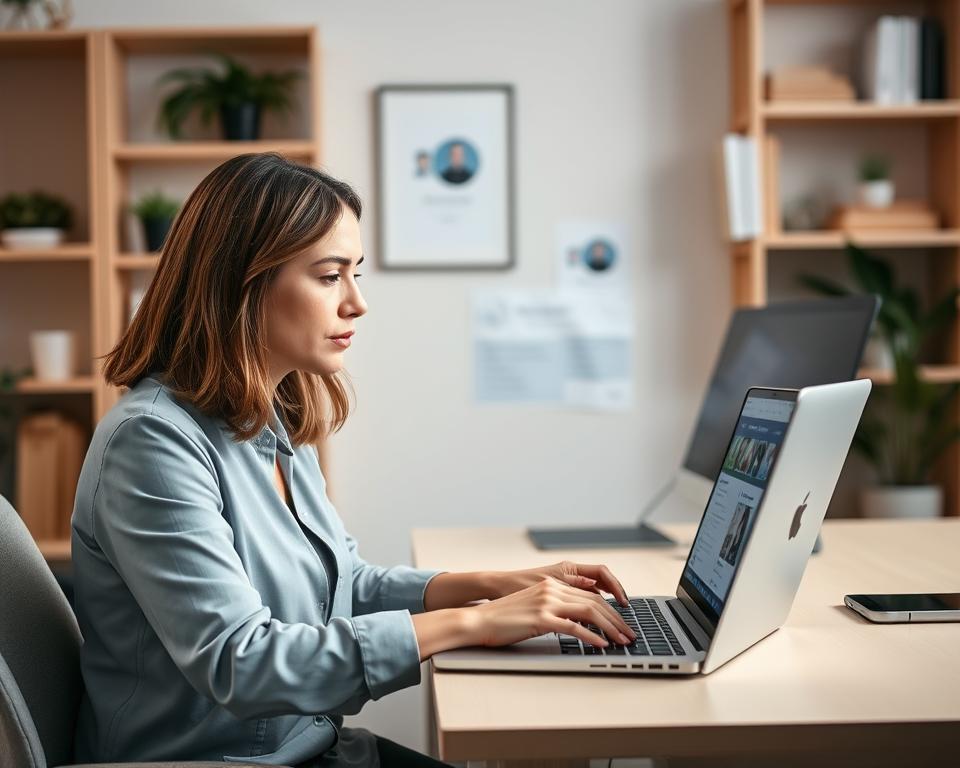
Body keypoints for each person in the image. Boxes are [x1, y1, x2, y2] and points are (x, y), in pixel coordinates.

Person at [70, 153, 636, 768]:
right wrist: (479, 624)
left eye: (355, 273)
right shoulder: (152, 443)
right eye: (329, 275)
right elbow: (243, 663)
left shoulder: (272, 415)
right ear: (242, 282)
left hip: (311, 747)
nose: (357, 303)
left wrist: (495, 587)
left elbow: (338, 584)